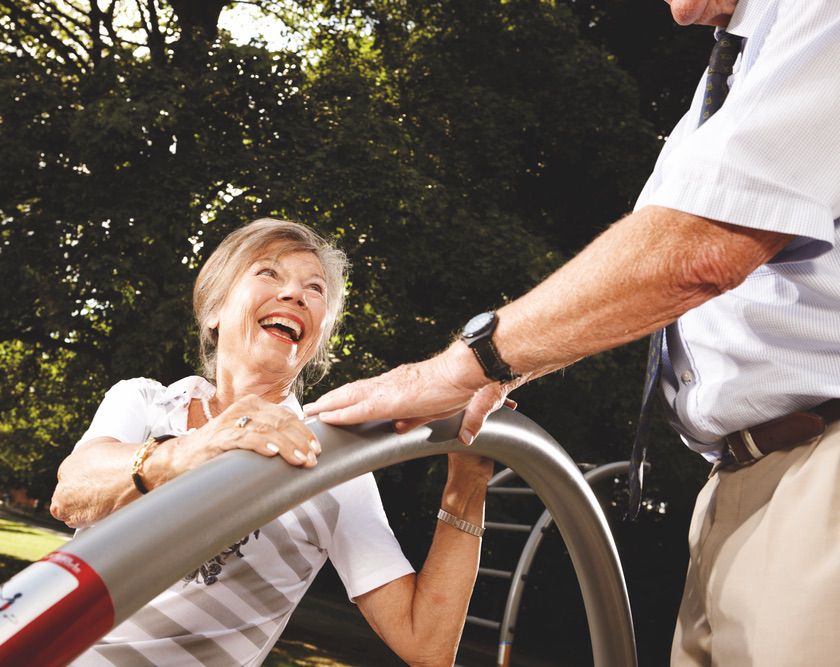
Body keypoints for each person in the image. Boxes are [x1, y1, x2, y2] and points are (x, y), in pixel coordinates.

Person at [305, 1, 840, 665]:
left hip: (822, 479)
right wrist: (513, 367)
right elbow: (662, 275)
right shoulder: (725, 74)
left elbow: (700, 251)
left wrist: (459, 367)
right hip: (740, 480)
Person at [51, 218, 494, 667]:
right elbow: (71, 496)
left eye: (314, 289)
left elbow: (427, 646)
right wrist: (197, 448)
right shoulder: (144, 402)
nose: (295, 294)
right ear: (214, 311)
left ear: (317, 336)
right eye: (269, 273)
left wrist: (468, 482)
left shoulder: (331, 462)